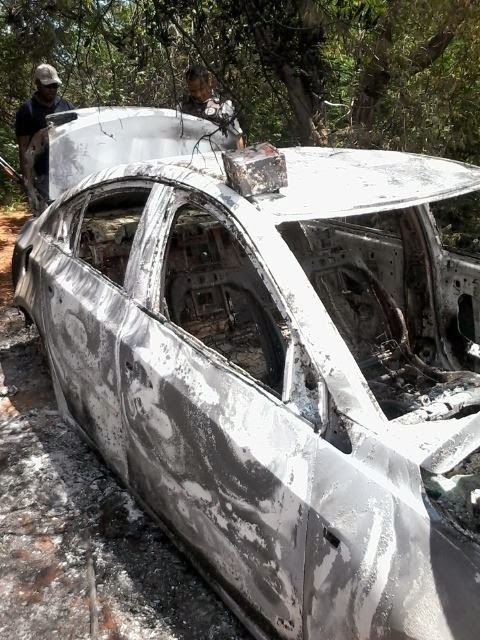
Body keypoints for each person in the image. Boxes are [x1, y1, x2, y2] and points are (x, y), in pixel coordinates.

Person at [15, 64, 74, 207]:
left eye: (55, 86)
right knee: (47, 217)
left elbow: (75, 140)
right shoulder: (27, 111)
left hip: (67, 174)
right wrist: (28, 183)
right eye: (48, 86)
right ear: (37, 84)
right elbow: (23, 148)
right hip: (42, 176)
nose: (52, 90)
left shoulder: (66, 106)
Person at [178, 64, 244, 149]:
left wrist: (240, 157)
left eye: (201, 89)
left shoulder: (224, 106)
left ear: (209, 82)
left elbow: (237, 136)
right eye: (193, 91)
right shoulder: (182, 107)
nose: (198, 94)